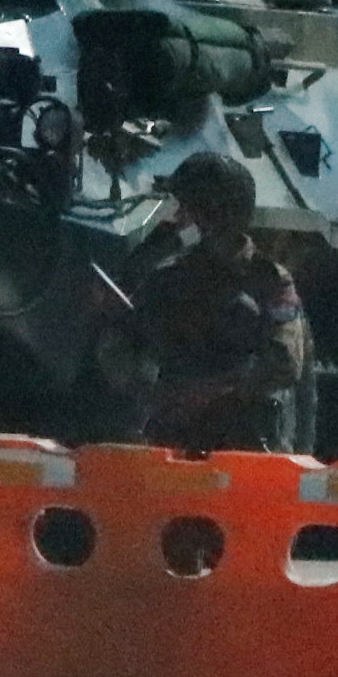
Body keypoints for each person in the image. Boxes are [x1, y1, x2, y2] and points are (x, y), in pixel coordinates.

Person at [128, 150, 310, 457]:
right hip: (173, 437)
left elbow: (285, 362)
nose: (179, 219)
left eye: (190, 210)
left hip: (245, 440)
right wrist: (155, 391)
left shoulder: (268, 280)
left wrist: (215, 391)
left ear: (221, 216)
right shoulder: (166, 278)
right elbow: (121, 345)